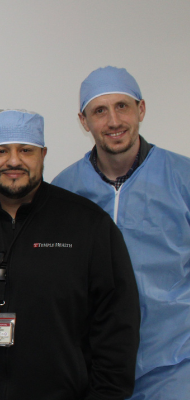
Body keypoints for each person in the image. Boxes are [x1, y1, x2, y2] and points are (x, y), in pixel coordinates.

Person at [0, 110, 140, 399]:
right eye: (1, 151)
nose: (13, 161)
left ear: (43, 154)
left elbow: (118, 325)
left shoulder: (87, 223)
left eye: (26, 150)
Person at [52, 66, 190, 399]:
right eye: (100, 111)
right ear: (84, 122)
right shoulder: (65, 189)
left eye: (122, 106)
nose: (114, 121)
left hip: (172, 364)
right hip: (93, 368)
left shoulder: (182, 177)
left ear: (140, 109)